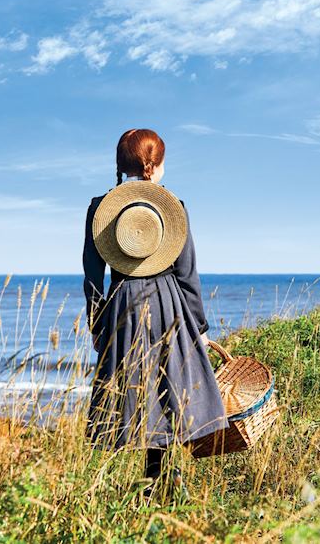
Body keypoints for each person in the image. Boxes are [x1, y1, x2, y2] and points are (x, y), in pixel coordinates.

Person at [82, 128, 228, 498]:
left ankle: (153, 479)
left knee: (136, 391)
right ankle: (161, 479)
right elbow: (187, 272)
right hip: (167, 301)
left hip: (121, 304)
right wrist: (200, 325)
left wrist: (97, 322)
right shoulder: (171, 206)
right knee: (170, 388)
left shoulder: (100, 207)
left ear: (122, 165)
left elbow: (92, 273)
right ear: (155, 165)